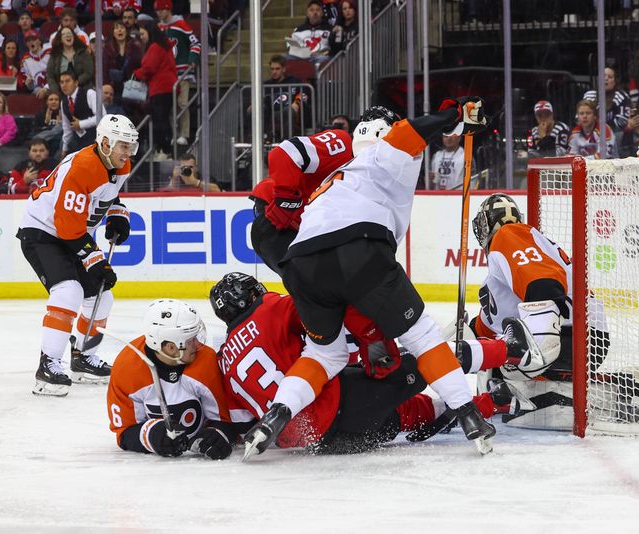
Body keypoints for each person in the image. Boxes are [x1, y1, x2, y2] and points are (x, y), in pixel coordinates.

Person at [246, 97, 496, 457]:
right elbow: (411, 133)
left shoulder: (335, 177)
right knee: (422, 337)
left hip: (302, 265)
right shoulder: (385, 157)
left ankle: (276, 414)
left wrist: (456, 125)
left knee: (323, 354)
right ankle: (469, 415)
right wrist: (454, 115)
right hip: (360, 251)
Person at [209, 273, 519, 454]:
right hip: (339, 404)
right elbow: (322, 307)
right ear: (248, 297)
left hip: (320, 443)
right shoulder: (268, 309)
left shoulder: (225, 359)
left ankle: (492, 402)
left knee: (396, 412)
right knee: (424, 361)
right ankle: (509, 351)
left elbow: (239, 423)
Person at [16, 114, 138, 396]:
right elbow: (67, 228)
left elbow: (109, 194)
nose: (128, 152)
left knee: (102, 295)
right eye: (123, 145)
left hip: (69, 233)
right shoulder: (82, 167)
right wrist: (94, 259)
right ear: (105, 143)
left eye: (130, 146)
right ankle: (48, 364)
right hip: (42, 232)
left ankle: (83, 356)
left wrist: (118, 215)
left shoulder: (120, 164)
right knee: (68, 291)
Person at [468, 193, 611, 427]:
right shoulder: (506, 259)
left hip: (573, 337)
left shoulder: (508, 235)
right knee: (470, 340)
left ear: (485, 223)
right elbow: (489, 323)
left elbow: (542, 282)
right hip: (583, 338)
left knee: (500, 361)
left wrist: (548, 297)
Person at [107, 299, 237, 459]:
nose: (198, 344)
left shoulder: (206, 361)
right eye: (191, 341)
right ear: (170, 347)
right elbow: (124, 432)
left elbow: (226, 419)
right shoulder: (127, 368)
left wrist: (218, 435)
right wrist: (153, 435)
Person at [249, 124, 355, 275]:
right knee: (310, 286)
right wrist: (286, 201)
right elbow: (283, 153)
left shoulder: (381, 177)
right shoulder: (343, 143)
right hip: (278, 218)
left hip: (309, 228)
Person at [156, 0, 200, 146]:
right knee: (170, 106)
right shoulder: (159, 27)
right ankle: (174, 135)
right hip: (166, 74)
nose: (159, 13)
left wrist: (192, 59)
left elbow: (195, 43)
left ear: (169, 9)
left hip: (182, 72)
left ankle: (184, 134)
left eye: (162, 10)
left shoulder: (181, 25)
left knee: (182, 103)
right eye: (157, 10)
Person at [134, 20, 177, 160]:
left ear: (149, 32)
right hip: (167, 87)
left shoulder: (155, 47)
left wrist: (137, 73)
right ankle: (164, 149)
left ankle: (164, 150)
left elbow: (149, 68)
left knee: (159, 120)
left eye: (142, 33)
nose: (141, 37)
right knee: (163, 119)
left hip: (160, 88)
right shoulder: (163, 46)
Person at [58, 70, 105, 156]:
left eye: (67, 81)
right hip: (78, 141)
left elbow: (102, 117)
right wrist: (64, 148)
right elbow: (67, 127)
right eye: (61, 82)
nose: (64, 85)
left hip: (96, 139)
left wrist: (81, 124)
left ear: (76, 83)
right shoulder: (63, 102)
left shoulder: (89, 94)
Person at [102, 20, 143, 106]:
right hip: (114, 87)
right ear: (113, 33)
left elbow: (140, 64)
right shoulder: (107, 48)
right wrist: (107, 86)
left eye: (122, 28)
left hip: (131, 86)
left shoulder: (134, 46)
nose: (119, 30)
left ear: (126, 31)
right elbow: (104, 69)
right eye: (116, 28)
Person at [582, 66, 631, 137]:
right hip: (589, 133)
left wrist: (599, 127)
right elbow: (579, 117)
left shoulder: (621, 96)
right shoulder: (589, 95)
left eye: (610, 77)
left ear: (614, 82)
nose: (606, 79)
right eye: (603, 76)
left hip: (613, 134)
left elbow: (622, 121)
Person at [46, 27, 94, 92]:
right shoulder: (55, 55)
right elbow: (50, 76)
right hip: (62, 90)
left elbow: (88, 72)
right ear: (60, 39)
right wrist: (55, 90)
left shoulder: (83, 52)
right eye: (64, 34)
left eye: (69, 33)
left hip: (82, 88)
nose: (68, 35)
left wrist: (74, 83)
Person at [21, 31, 51, 99]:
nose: (31, 42)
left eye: (34, 39)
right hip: (38, 90)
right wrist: (29, 84)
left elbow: (57, 74)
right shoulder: (25, 60)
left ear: (39, 41)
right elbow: (30, 87)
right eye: (28, 41)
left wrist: (47, 88)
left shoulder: (50, 52)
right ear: (26, 44)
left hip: (53, 86)